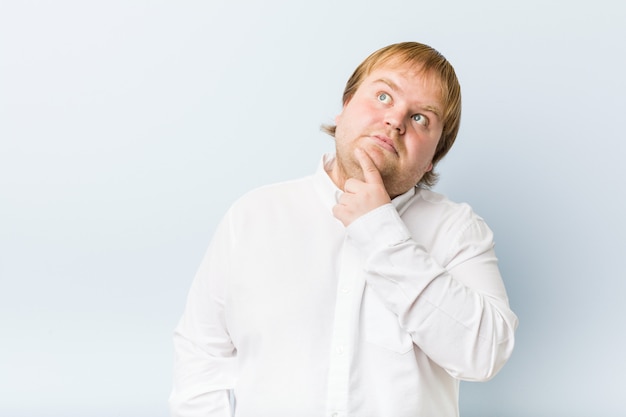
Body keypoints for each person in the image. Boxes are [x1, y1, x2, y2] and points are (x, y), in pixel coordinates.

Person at [169, 41, 518, 417]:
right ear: (344, 107)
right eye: (383, 95)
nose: (396, 120)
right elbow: (201, 356)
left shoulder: (458, 231)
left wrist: (380, 230)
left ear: (434, 156)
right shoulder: (252, 216)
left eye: (421, 118)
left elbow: (485, 355)